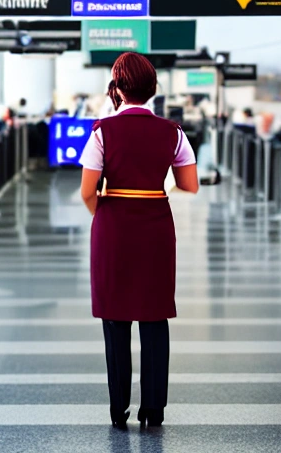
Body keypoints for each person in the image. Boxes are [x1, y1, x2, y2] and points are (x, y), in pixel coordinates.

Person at [79, 52, 199, 429]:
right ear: (154, 90)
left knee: (115, 319)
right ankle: (154, 410)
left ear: (116, 88)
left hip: (113, 225)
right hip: (156, 225)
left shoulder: (102, 131)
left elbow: (86, 191)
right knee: (154, 315)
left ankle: (118, 410)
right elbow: (189, 184)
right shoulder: (173, 131)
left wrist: (106, 211)